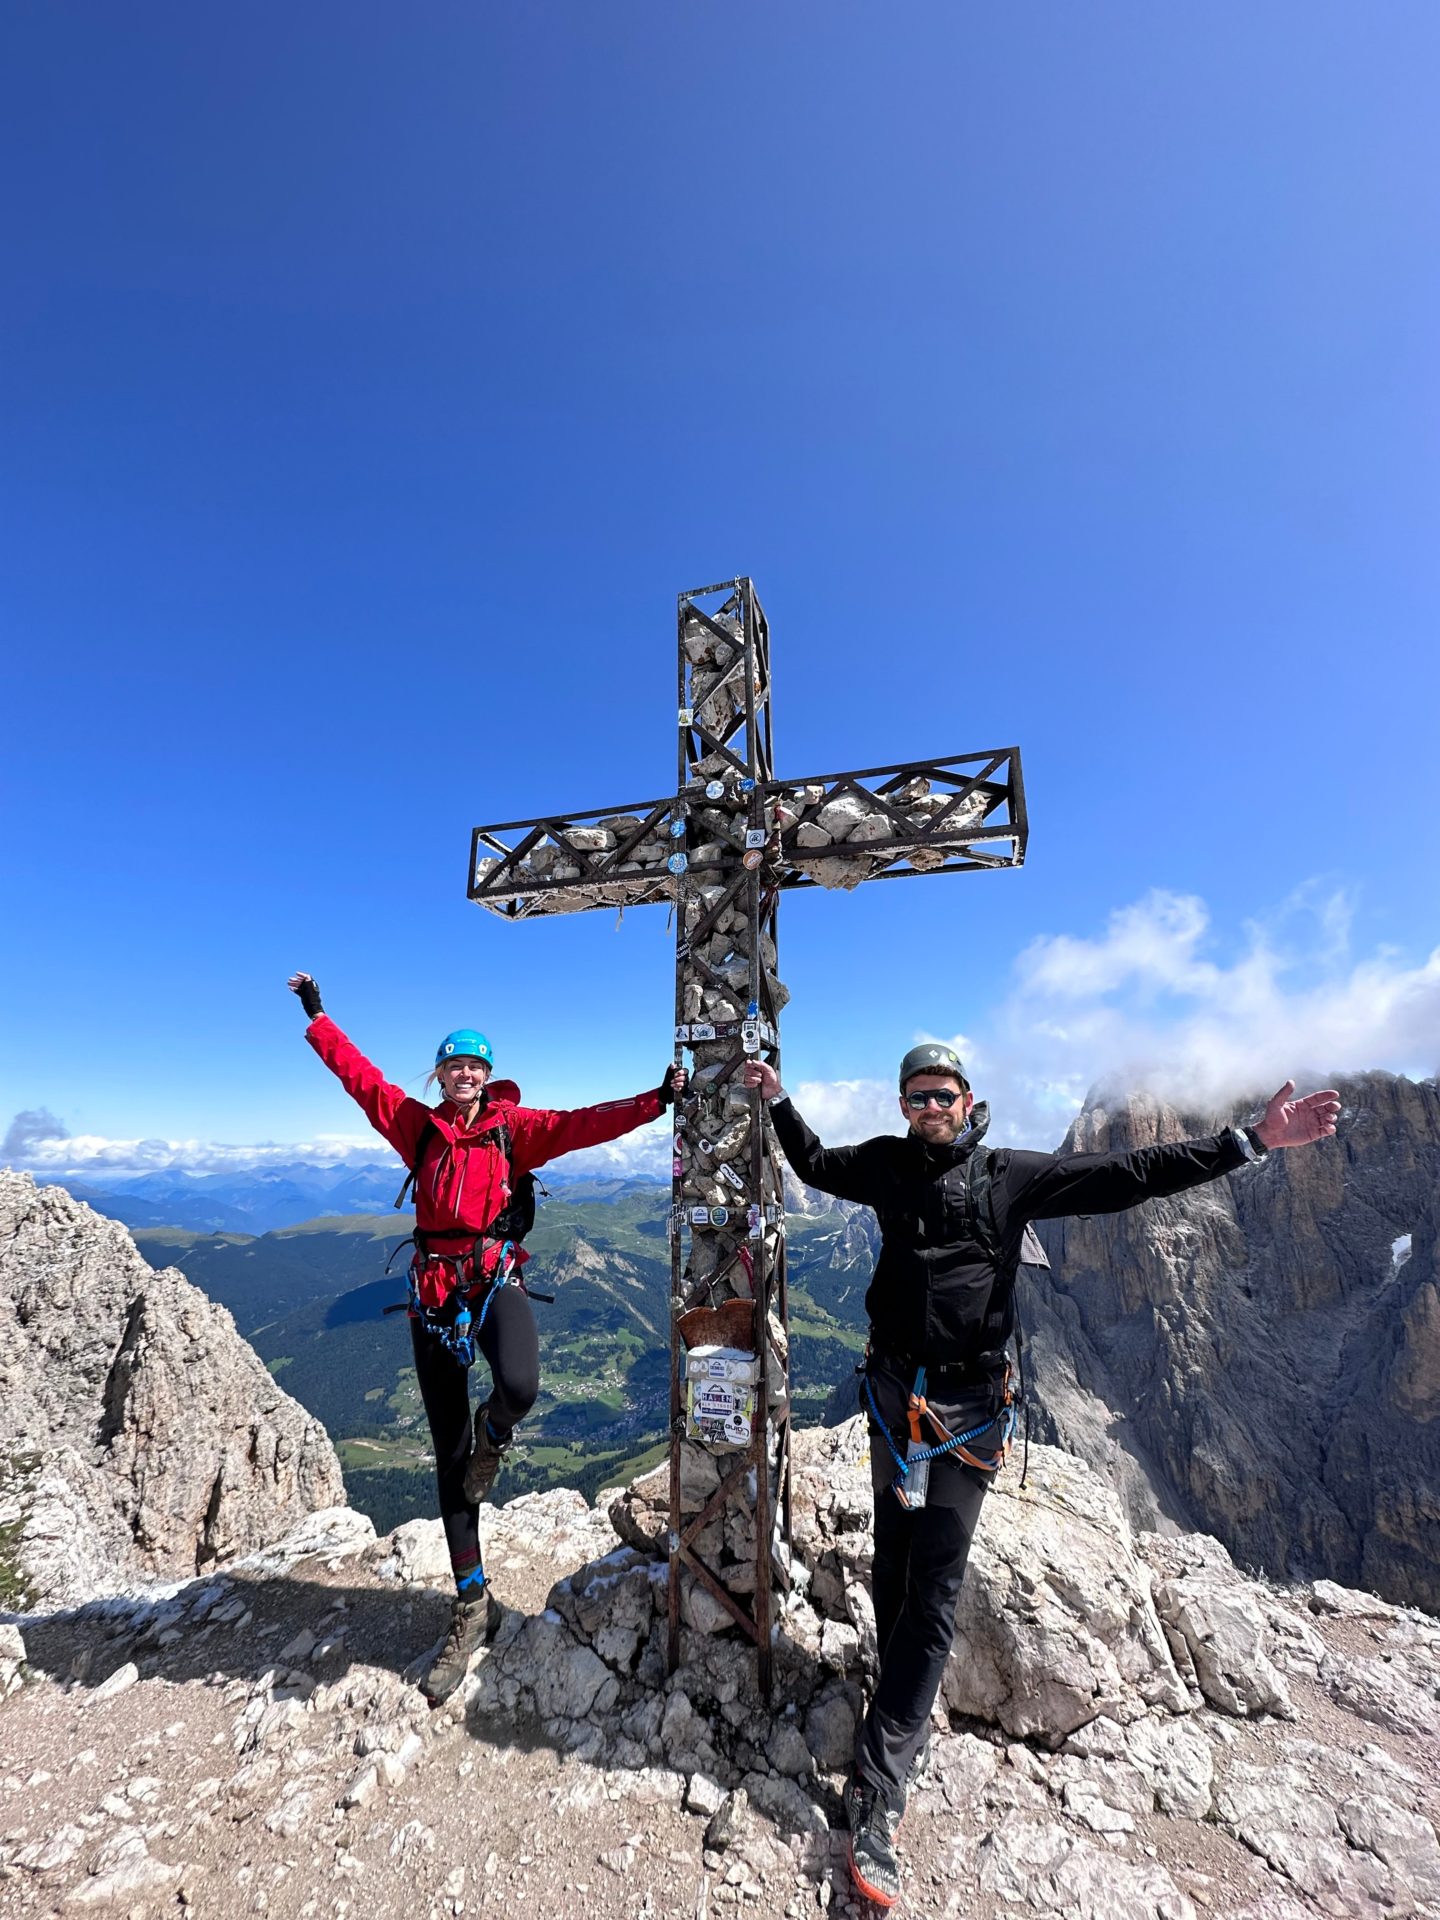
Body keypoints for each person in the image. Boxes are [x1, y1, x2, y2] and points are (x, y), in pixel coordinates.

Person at [743, 1043, 1340, 1908]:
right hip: (892, 1394)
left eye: (940, 1094)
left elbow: (1124, 1175)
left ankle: (881, 1783)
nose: (928, 1107)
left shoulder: (1008, 1177)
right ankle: (900, 1696)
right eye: (915, 1096)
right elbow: (814, 1163)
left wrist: (1246, 1142)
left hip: (969, 1410)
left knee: (936, 1591)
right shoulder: (884, 1164)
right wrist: (778, 1099)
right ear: (904, 1103)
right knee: (893, 1567)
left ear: (967, 1098)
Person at [287, 972, 686, 1705]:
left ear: (485, 1075)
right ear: (439, 1075)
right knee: (448, 1457)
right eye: (452, 1064)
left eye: (474, 1064)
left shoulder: (514, 1129)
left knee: (521, 1386)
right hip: (436, 1293)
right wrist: (319, 1019)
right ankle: (471, 1605)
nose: (463, 1073)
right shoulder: (417, 1125)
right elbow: (361, 1079)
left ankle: (494, 1433)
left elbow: (582, 1123)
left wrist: (655, 1102)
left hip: (493, 1275)